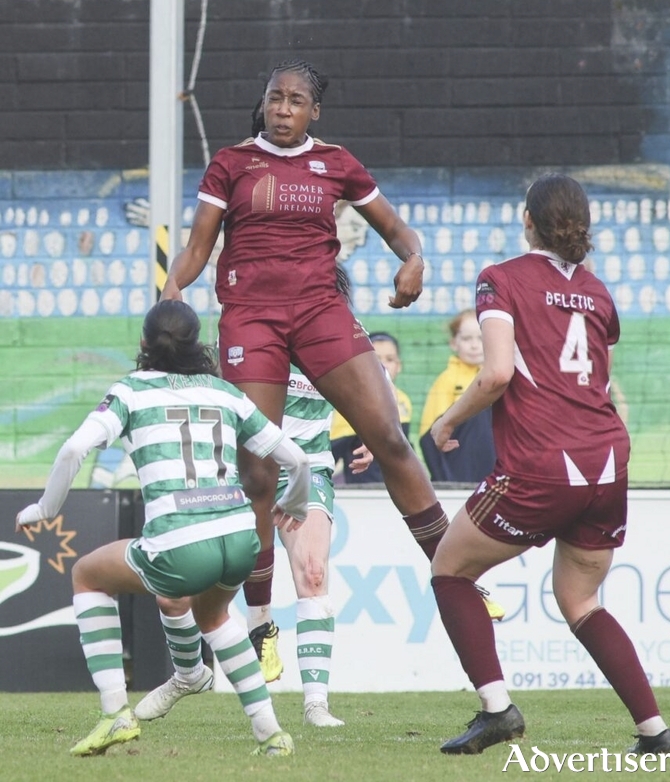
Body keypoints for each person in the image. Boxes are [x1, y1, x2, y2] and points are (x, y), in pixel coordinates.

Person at [160, 59, 449, 654]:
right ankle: (262, 619)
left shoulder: (337, 163)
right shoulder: (231, 164)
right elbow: (197, 247)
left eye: (295, 101)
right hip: (250, 318)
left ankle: (453, 569)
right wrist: (170, 293)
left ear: (314, 111)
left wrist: (413, 260)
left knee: (390, 437)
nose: (283, 109)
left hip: (319, 312)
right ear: (263, 104)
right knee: (257, 472)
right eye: (275, 99)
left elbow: (398, 230)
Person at [429, 174, 670, 757]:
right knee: (582, 601)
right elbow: (599, 378)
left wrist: (447, 423)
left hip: (544, 461)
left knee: (450, 570)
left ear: (527, 220)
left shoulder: (501, 279)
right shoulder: (597, 293)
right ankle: (654, 731)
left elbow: (495, 374)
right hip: (606, 461)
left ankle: (497, 711)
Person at [15, 300, 311, 758]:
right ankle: (272, 734)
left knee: (88, 575)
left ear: (142, 343)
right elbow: (296, 458)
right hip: (239, 538)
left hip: (180, 542)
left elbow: (75, 449)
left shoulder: (132, 391)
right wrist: (293, 503)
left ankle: (115, 713)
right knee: (215, 618)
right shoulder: (223, 391)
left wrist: (45, 507)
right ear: (199, 344)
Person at [134, 365, 372, 729]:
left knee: (313, 571)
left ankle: (316, 706)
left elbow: (373, 382)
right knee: (178, 593)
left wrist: (373, 435)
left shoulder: (335, 331)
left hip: (304, 470)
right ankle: (190, 672)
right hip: (241, 472)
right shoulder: (246, 330)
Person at [419, 309, 496, 484]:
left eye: (481, 338)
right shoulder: (447, 380)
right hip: (460, 472)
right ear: (454, 343)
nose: (475, 345)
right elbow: (428, 434)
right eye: (467, 339)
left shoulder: (498, 377)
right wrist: (443, 479)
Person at [331, 331, 412, 486]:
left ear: (399, 365)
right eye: (376, 360)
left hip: (395, 484)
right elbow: (334, 449)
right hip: (361, 487)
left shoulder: (404, 401)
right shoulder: (350, 401)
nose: (384, 365)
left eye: (390, 359)